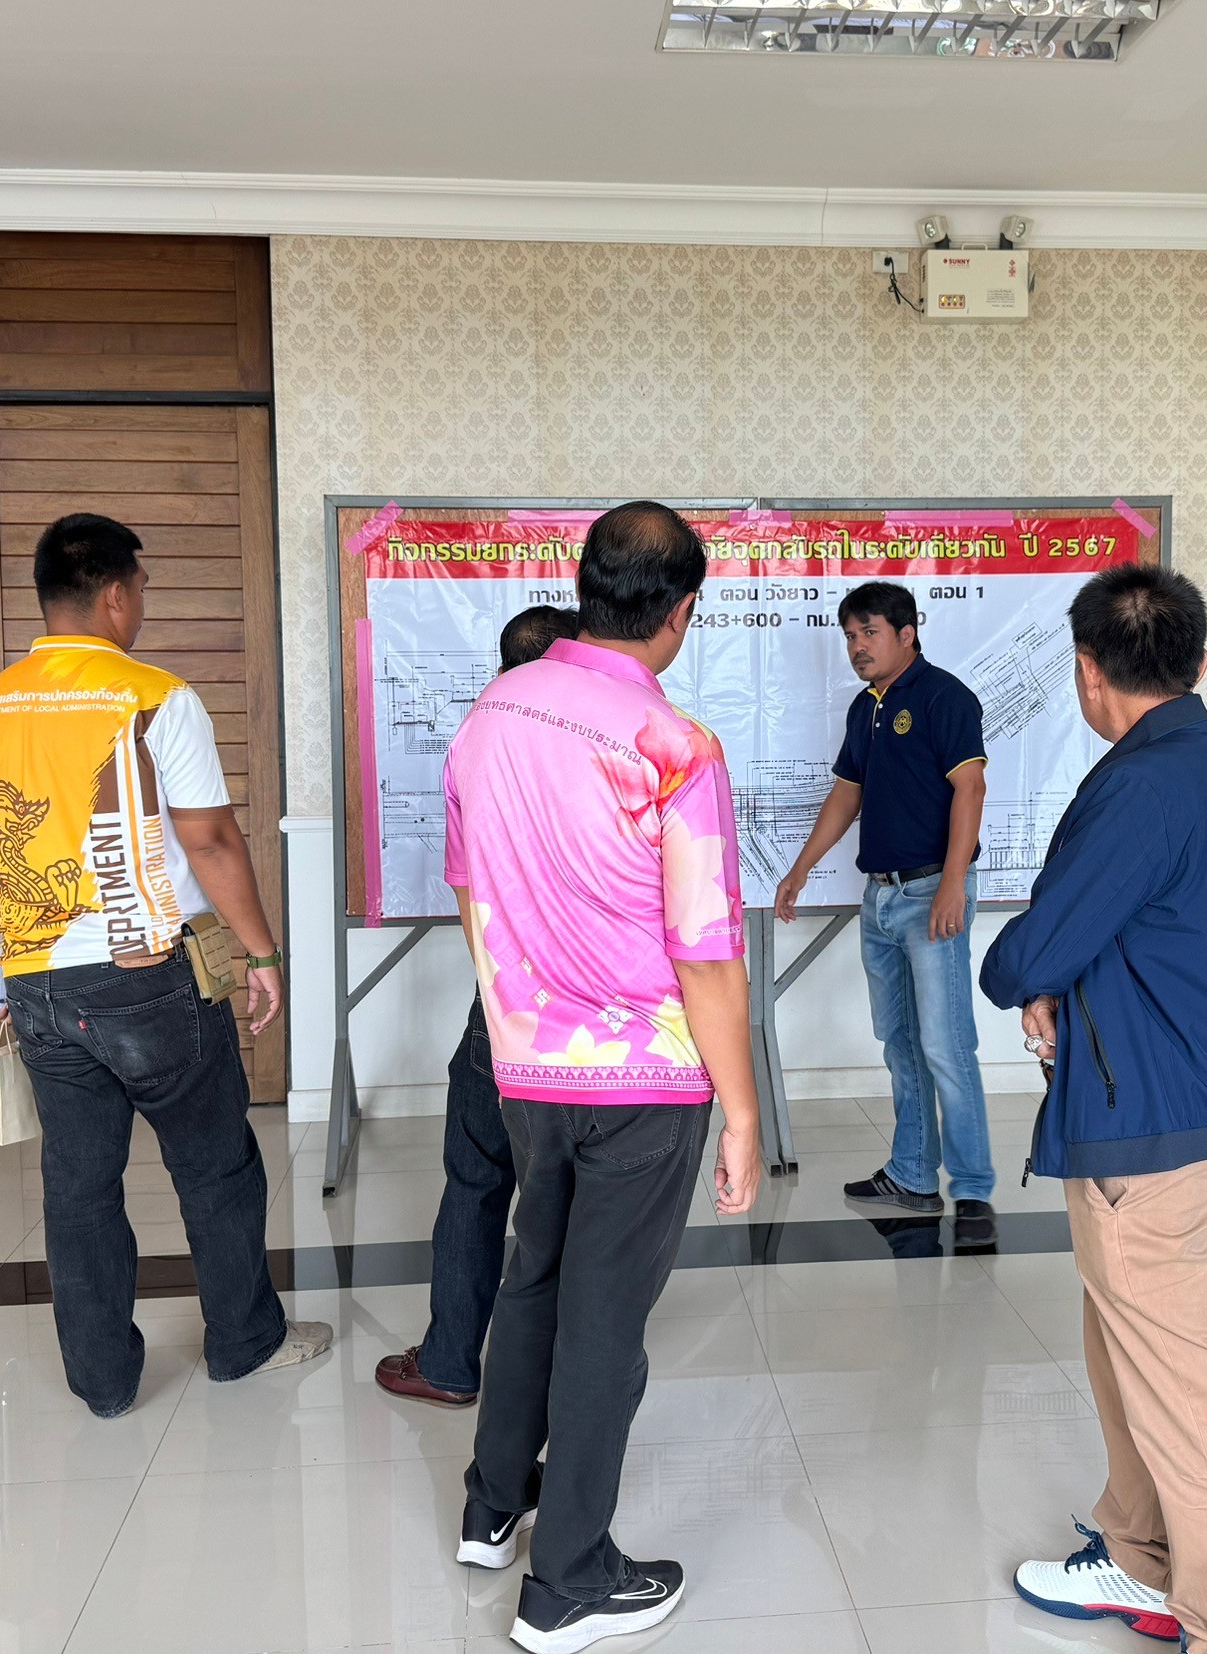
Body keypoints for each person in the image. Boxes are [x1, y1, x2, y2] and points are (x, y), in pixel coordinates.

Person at [448, 502, 758, 1654]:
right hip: (644, 1081)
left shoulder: (489, 717)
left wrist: (514, 1029)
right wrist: (743, 1111)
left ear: (585, 586)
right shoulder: (676, 745)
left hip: (527, 1065)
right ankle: (568, 1580)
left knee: (533, 1278)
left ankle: (493, 1509)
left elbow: (472, 896)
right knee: (603, 1322)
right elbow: (704, 952)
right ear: (682, 610)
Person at [0, 512, 328, 1417]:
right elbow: (211, 838)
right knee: (215, 1165)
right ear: (116, 595)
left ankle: (103, 1382)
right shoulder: (155, 696)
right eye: (142, 589)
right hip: (148, 972)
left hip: (37, 982)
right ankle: (244, 1341)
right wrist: (262, 953)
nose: (142, 603)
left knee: (78, 1186)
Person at [978, 564, 1207, 1654]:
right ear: (1199, 662)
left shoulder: (1146, 784)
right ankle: (1140, 1556)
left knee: (1187, 1386)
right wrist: (1061, 979)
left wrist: (1029, 975)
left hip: (1151, 1116)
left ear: (1087, 671)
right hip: (1175, 1092)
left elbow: (1034, 948)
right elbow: (1136, 926)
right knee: (1129, 1349)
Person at [376, 602, 581, 1409]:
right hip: (605, 1005)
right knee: (577, 1190)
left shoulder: (478, 740)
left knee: (477, 1176)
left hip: (506, 995)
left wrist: (498, 989)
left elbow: (468, 889)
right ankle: (566, 1366)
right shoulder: (613, 736)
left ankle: (452, 1363)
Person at [774, 580, 995, 1243]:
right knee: (899, 1042)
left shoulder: (944, 697)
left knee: (946, 1046)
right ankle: (913, 1176)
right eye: (850, 635)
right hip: (882, 899)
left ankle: (974, 1194)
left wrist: (953, 883)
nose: (857, 647)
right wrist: (801, 867)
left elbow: (970, 788)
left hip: (932, 894)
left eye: (869, 633)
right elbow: (849, 794)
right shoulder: (865, 708)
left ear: (906, 634)